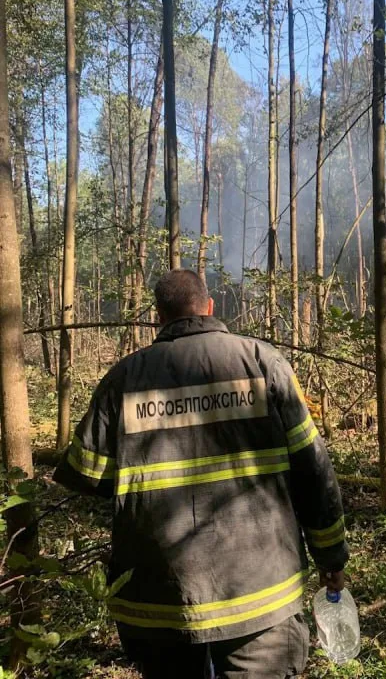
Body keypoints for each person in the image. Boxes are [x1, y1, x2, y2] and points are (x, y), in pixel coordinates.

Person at [54, 269, 349, 678]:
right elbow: (312, 469)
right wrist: (331, 556)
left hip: (160, 601)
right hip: (260, 594)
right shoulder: (263, 363)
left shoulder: (124, 379)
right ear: (209, 307)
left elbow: (88, 474)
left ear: (159, 317)